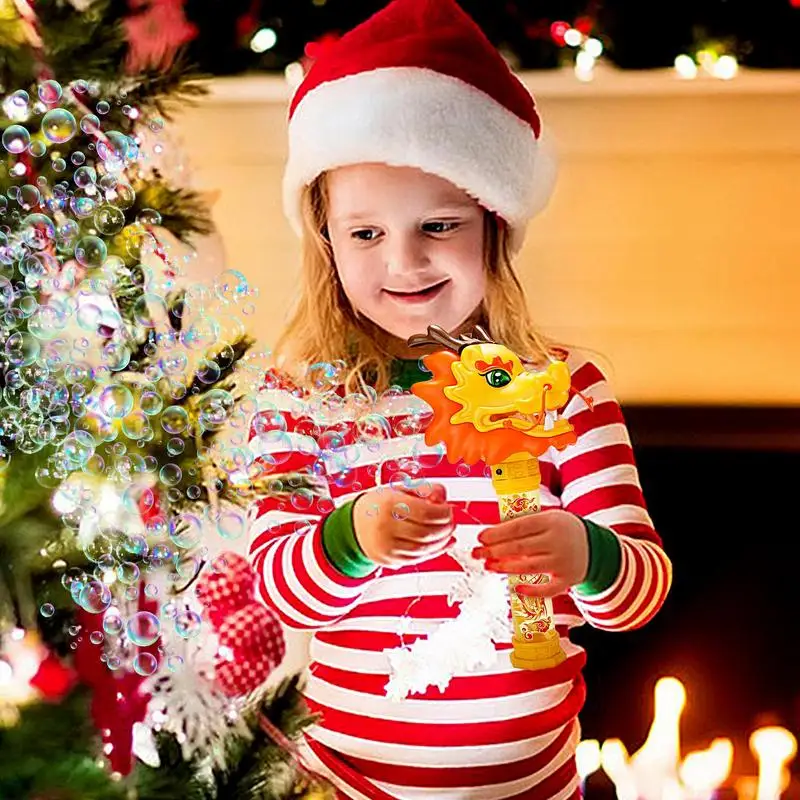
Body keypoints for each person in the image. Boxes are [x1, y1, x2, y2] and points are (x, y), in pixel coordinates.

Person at [247, 0, 672, 797]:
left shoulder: (567, 388)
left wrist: (589, 555)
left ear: (492, 228)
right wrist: (352, 536)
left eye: (437, 225)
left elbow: (642, 587)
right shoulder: (303, 398)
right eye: (366, 233)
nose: (403, 261)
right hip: (347, 784)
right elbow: (276, 586)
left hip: (534, 786)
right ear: (327, 239)